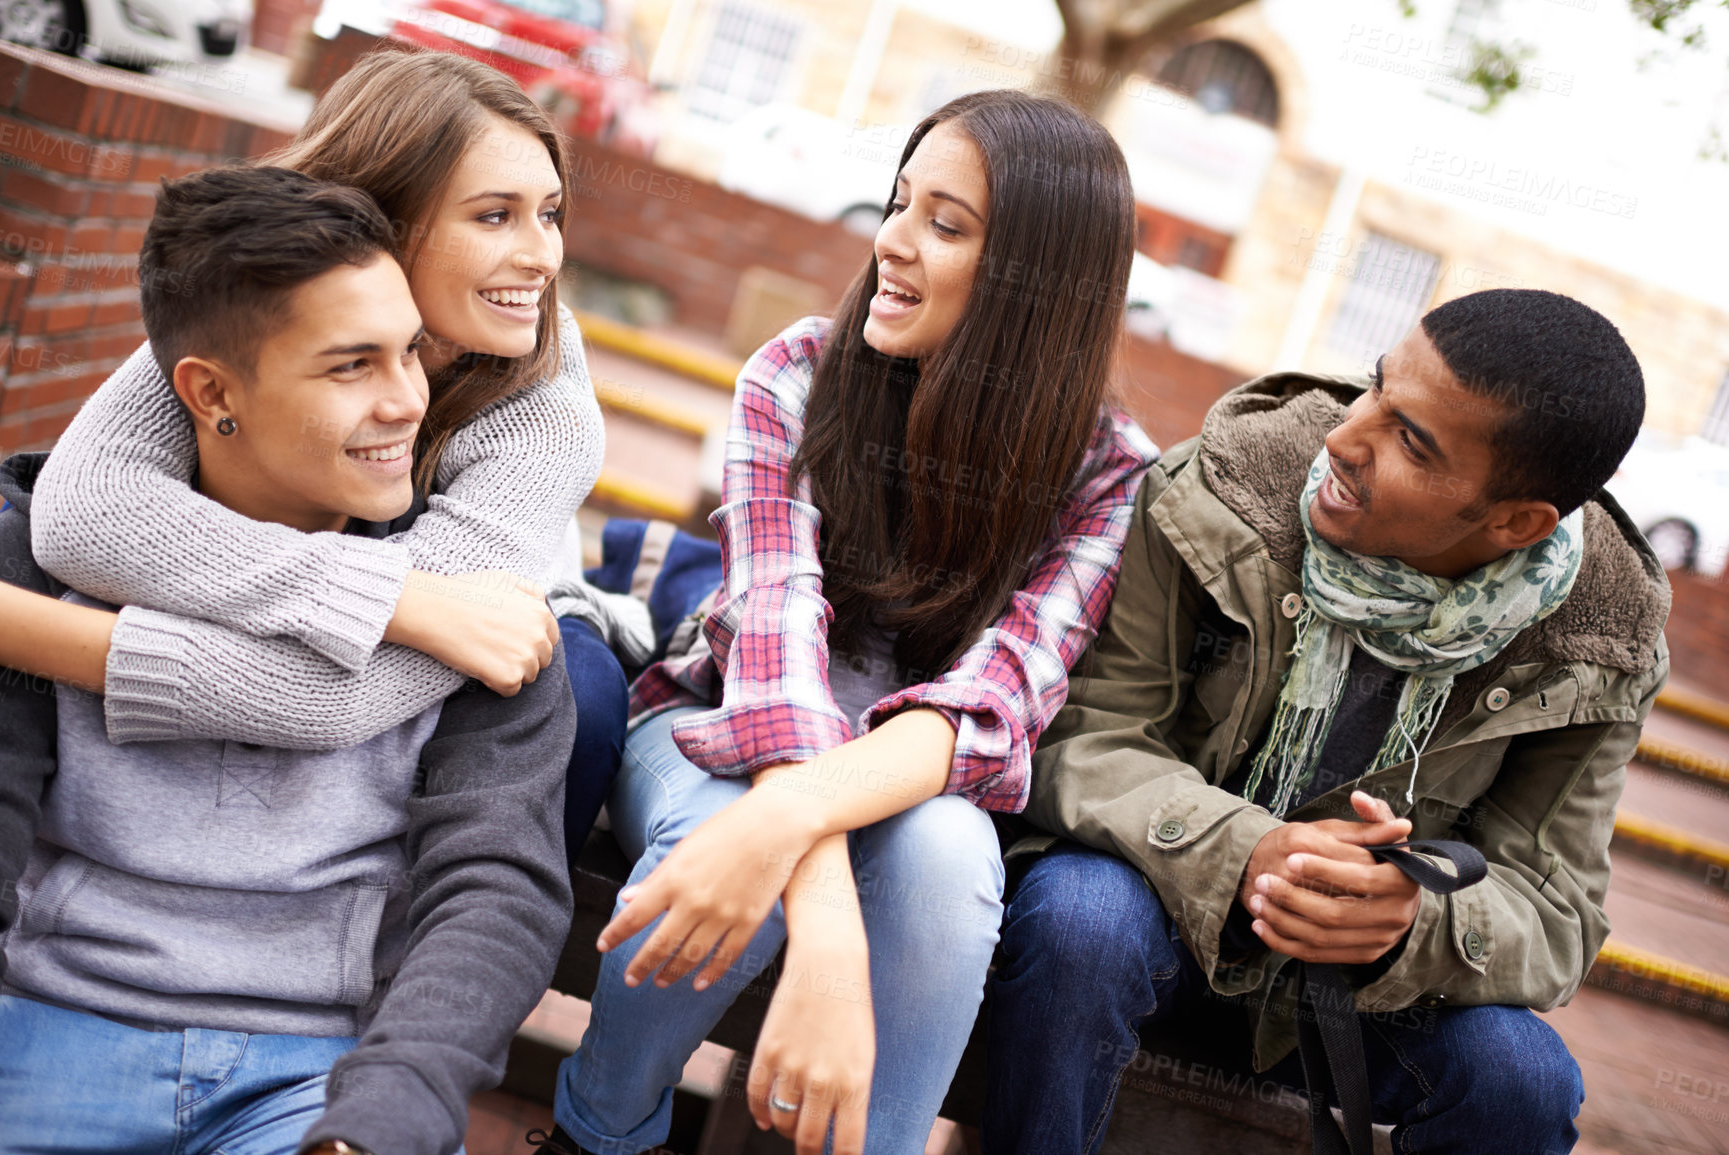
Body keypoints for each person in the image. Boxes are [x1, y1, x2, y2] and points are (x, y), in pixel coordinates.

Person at [537, 89, 1157, 1155]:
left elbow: (986, 713)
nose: (892, 244)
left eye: (945, 225)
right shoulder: (798, 373)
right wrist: (820, 917)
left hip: (916, 788)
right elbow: (774, 654)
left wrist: (792, 829)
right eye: (899, 203)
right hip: (710, 730)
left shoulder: (1108, 473)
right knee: (728, 840)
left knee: (952, 863)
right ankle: (599, 1134)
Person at [985, 288, 1669, 1154]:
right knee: (1083, 916)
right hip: (1151, 922)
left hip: (1349, 1002)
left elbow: (1556, 911)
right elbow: (1081, 731)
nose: (1344, 437)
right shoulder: (1221, 491)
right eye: (1374, 390)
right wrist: (1242, 849)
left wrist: (1409, 921)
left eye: (1409, 440)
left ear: (1516, 522)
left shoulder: (1597, 642)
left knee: (1521, 1081)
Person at [0, 166, 575, 1155]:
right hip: (39, 1037)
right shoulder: (38, 568)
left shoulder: (480, 614)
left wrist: (384, 1116)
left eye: (409, 355)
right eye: (352, 366)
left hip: (311, 1080)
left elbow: (494, 895)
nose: (406, 402)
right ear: (212, 393)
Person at [0, 50, 629, 874]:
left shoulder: (546, 413)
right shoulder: (265, 282)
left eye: (548, 212)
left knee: (577, 690)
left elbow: (329, 697)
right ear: (381, 216)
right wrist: (398, 596)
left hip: (494, 609)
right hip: (337, 577)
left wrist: (19, 629)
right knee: (15, 533)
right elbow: (85, 513)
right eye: (493, 216)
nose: (543, 257)